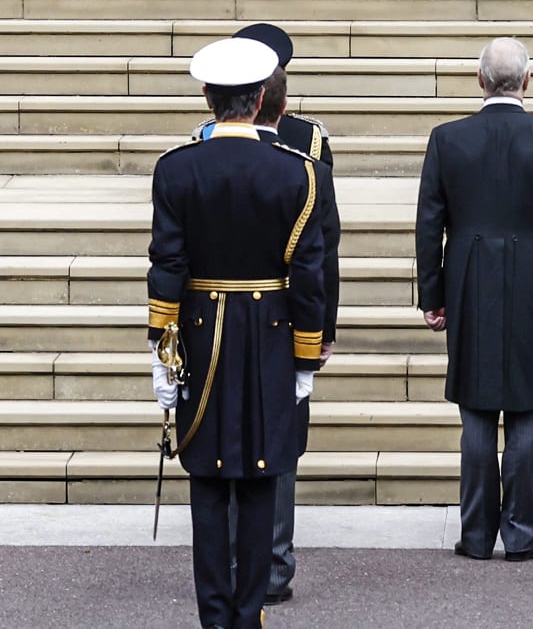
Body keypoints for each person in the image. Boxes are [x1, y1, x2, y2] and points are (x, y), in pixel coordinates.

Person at [147, 35, 329, 629]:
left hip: (200, 337)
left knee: (206, 479)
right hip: (272, 337)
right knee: (259, 476)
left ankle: (215, 615)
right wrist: (306, 359)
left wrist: (161, 348)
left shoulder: (176, 168)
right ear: (258, 100)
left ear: (208, 97)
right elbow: (308, 274)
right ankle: (249, 614)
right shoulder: (298, 171)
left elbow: (167, 265)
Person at [414, 37, 533, 562]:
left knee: (476, 409)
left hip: (468, 277)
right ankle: (521, 533)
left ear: (480, 81)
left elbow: (429, 224)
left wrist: (432, 293)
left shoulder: (448, 138)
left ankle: (475, 533)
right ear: (527, 82)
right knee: (528, 407)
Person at [239, 21, 338, 607]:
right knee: (278, 441)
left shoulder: (202, 142)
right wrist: (320, 327)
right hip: (281, 313)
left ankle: (241, 562)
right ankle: (272, 566)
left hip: (224, 315)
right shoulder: (309, 143)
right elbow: (323, 250)